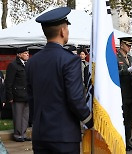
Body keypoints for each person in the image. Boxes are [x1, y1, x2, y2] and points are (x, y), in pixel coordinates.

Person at [25, 7, 93, 154]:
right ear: (63, 31)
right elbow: (75, 98)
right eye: (67, 28)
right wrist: (90, 121)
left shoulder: (32, 62)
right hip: (64, 135)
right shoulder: (70, 60)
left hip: (40, 134)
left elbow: (31, 99)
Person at [117, 36, 132, 151]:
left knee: (130, 120)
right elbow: (115, 73)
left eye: (130, 45)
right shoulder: (116, 57)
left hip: (131, 93)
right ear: (121, 45)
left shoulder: (130, 59)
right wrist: (126, 71)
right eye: (128, 45)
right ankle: (122, 141)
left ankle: (128, 140)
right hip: (121, 94)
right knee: (123, 119)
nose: (129, 47)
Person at [5, 46, 30, 142]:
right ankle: (17, 134)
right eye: (25, 53)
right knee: (18, 116)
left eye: (27, 53)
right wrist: (10, 96)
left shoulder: (27, 65)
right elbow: (9, 82)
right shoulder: (13, 65)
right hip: (17, 95)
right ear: (19, 55)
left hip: (26, 94)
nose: (27, 55)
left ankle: (23, 134)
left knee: (25, 116)